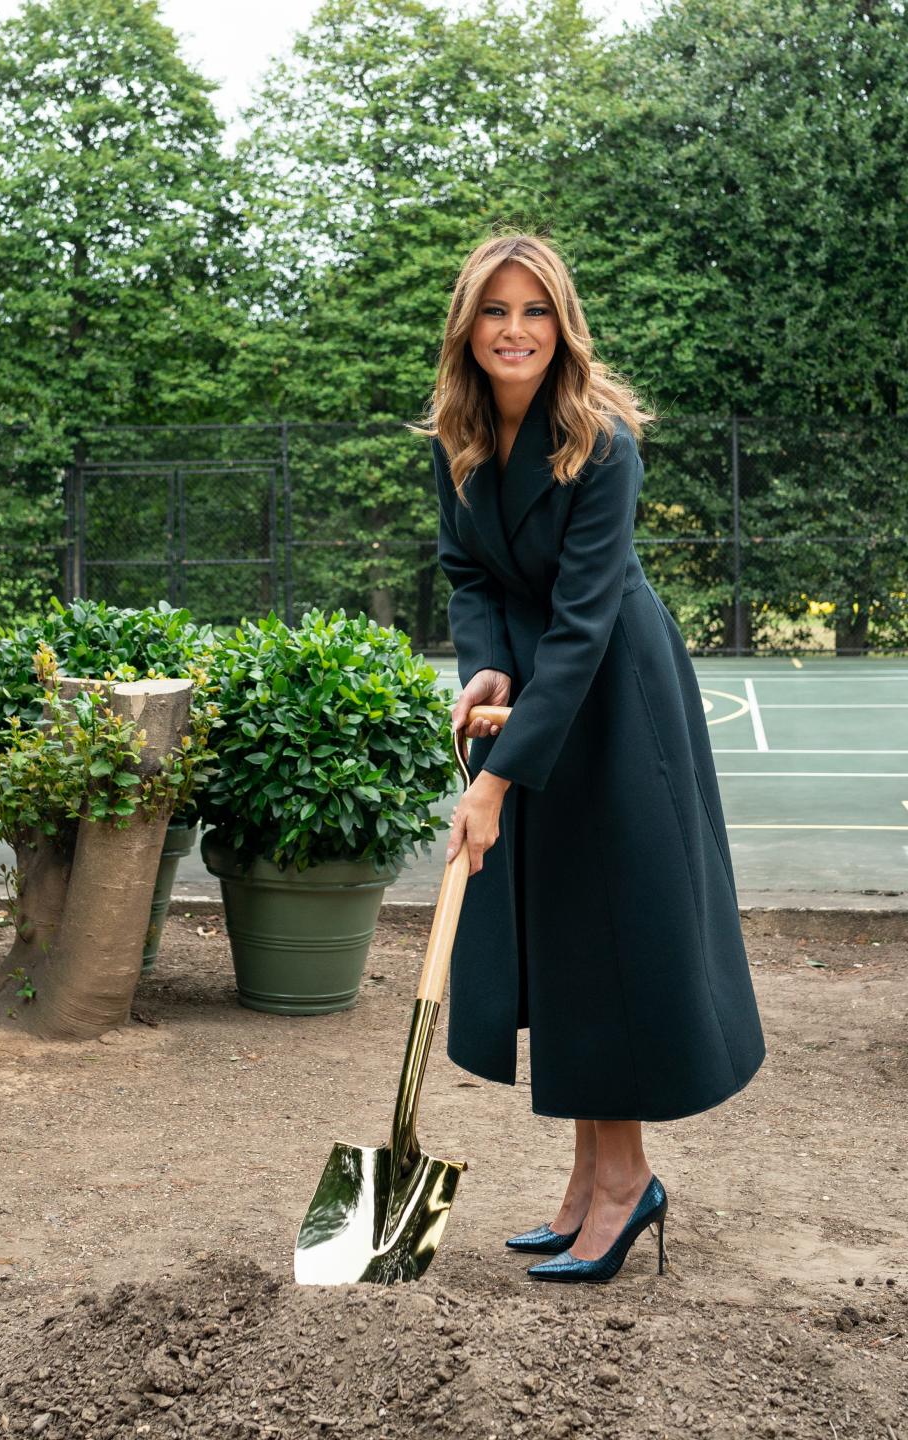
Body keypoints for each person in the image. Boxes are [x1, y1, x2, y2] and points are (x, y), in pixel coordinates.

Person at [409, 232, 766, 1285]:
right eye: (494, 312)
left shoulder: (599, 440)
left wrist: (498, 780)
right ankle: (586, 1186)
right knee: (567, 937)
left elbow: (582, 621)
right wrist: (482, 673)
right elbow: (467, 573)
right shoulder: (456, 436)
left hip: (615, 699)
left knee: (614, 938)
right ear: (467, 328)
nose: (514, 331)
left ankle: (627, 1184)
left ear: (561, 323)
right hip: (534, 689)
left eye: (534, 311)